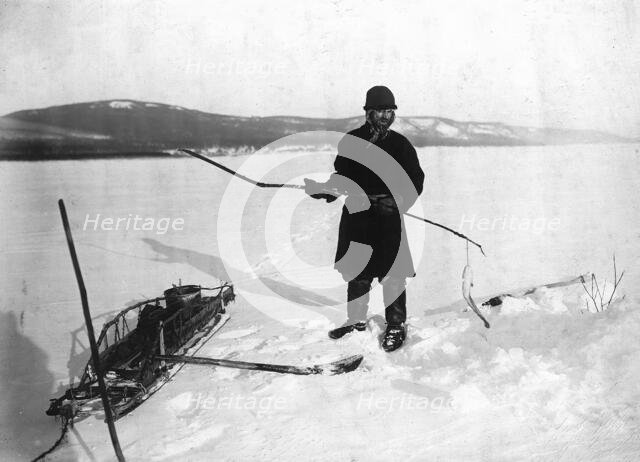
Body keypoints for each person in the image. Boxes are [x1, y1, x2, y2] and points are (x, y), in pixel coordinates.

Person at [304, 86, 424, 352]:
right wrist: (324, 190)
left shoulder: (400, 144)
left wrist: (398, 202)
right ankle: (355, 321)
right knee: (357, 271)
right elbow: (342, 177)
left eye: (390, 111)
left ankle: (396, 324)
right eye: (381, 111)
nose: (386, 116)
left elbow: (416, 180)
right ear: (369, 112)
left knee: (393, 273)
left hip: (388, 217)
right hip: (358, 216)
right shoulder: (351, 141)